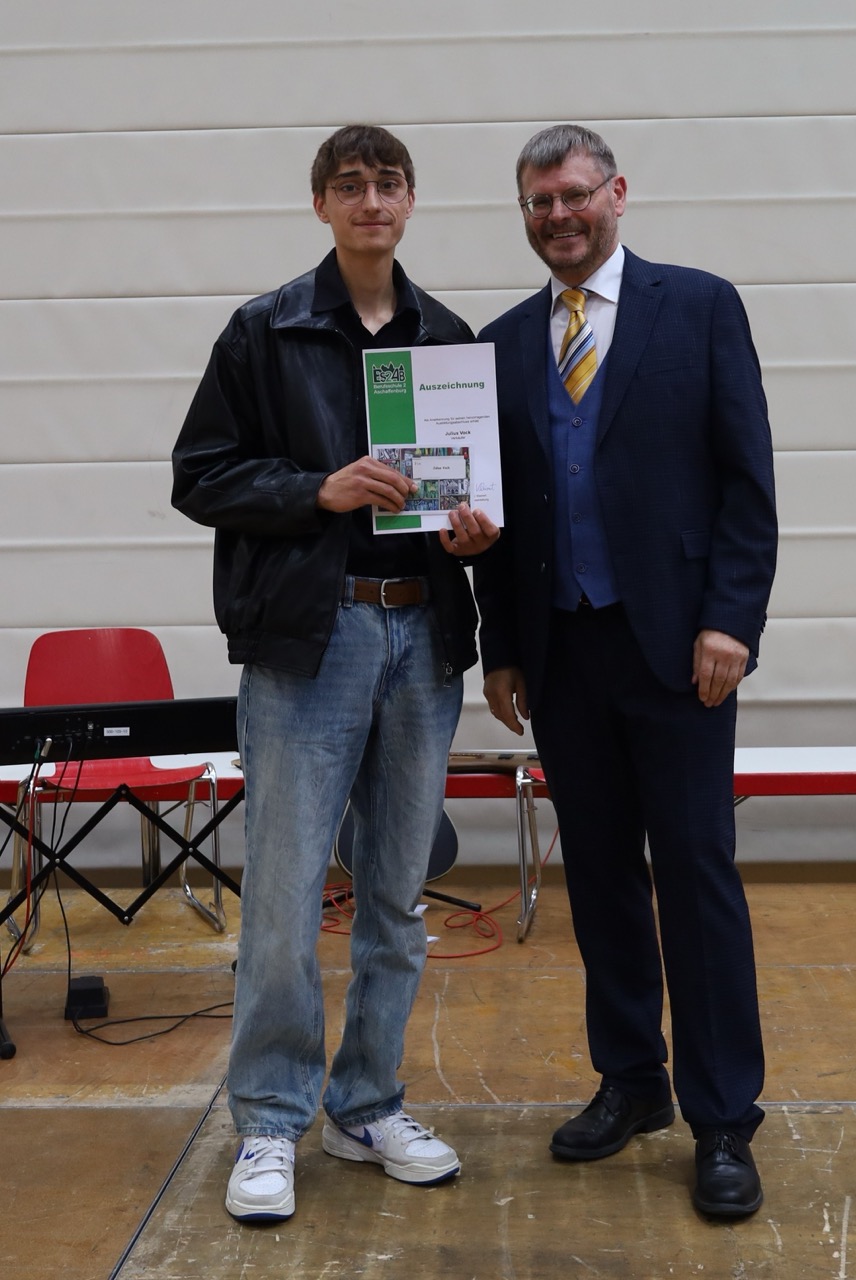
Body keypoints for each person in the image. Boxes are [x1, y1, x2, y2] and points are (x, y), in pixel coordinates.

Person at [171, 124, 498, 1223]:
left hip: (422, 639)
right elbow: (200, 475)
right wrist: (315, 489)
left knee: (397, 895)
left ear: (410, 201)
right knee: (284, 895)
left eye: (387, 183)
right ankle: (270, 1117)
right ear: (320, 203)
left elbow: (472, 496)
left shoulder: (446, 338)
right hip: (313, 641)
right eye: (349, 185)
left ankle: (366, 1105)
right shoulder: (264, 330)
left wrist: (472, 533)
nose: (370, 201)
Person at [473, 124, 777, 1217]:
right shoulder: (503, 343)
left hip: (682, 650)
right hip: (562, 653)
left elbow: (746, 479)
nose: (557, 215)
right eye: (538, 202)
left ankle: (723, 1116)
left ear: (616, 194)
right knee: (599, 876)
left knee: (695, 875)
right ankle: (632, 1080)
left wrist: (730, 619)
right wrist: (501, 643)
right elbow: (492, 515)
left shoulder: (698, 307)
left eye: (573, 194)